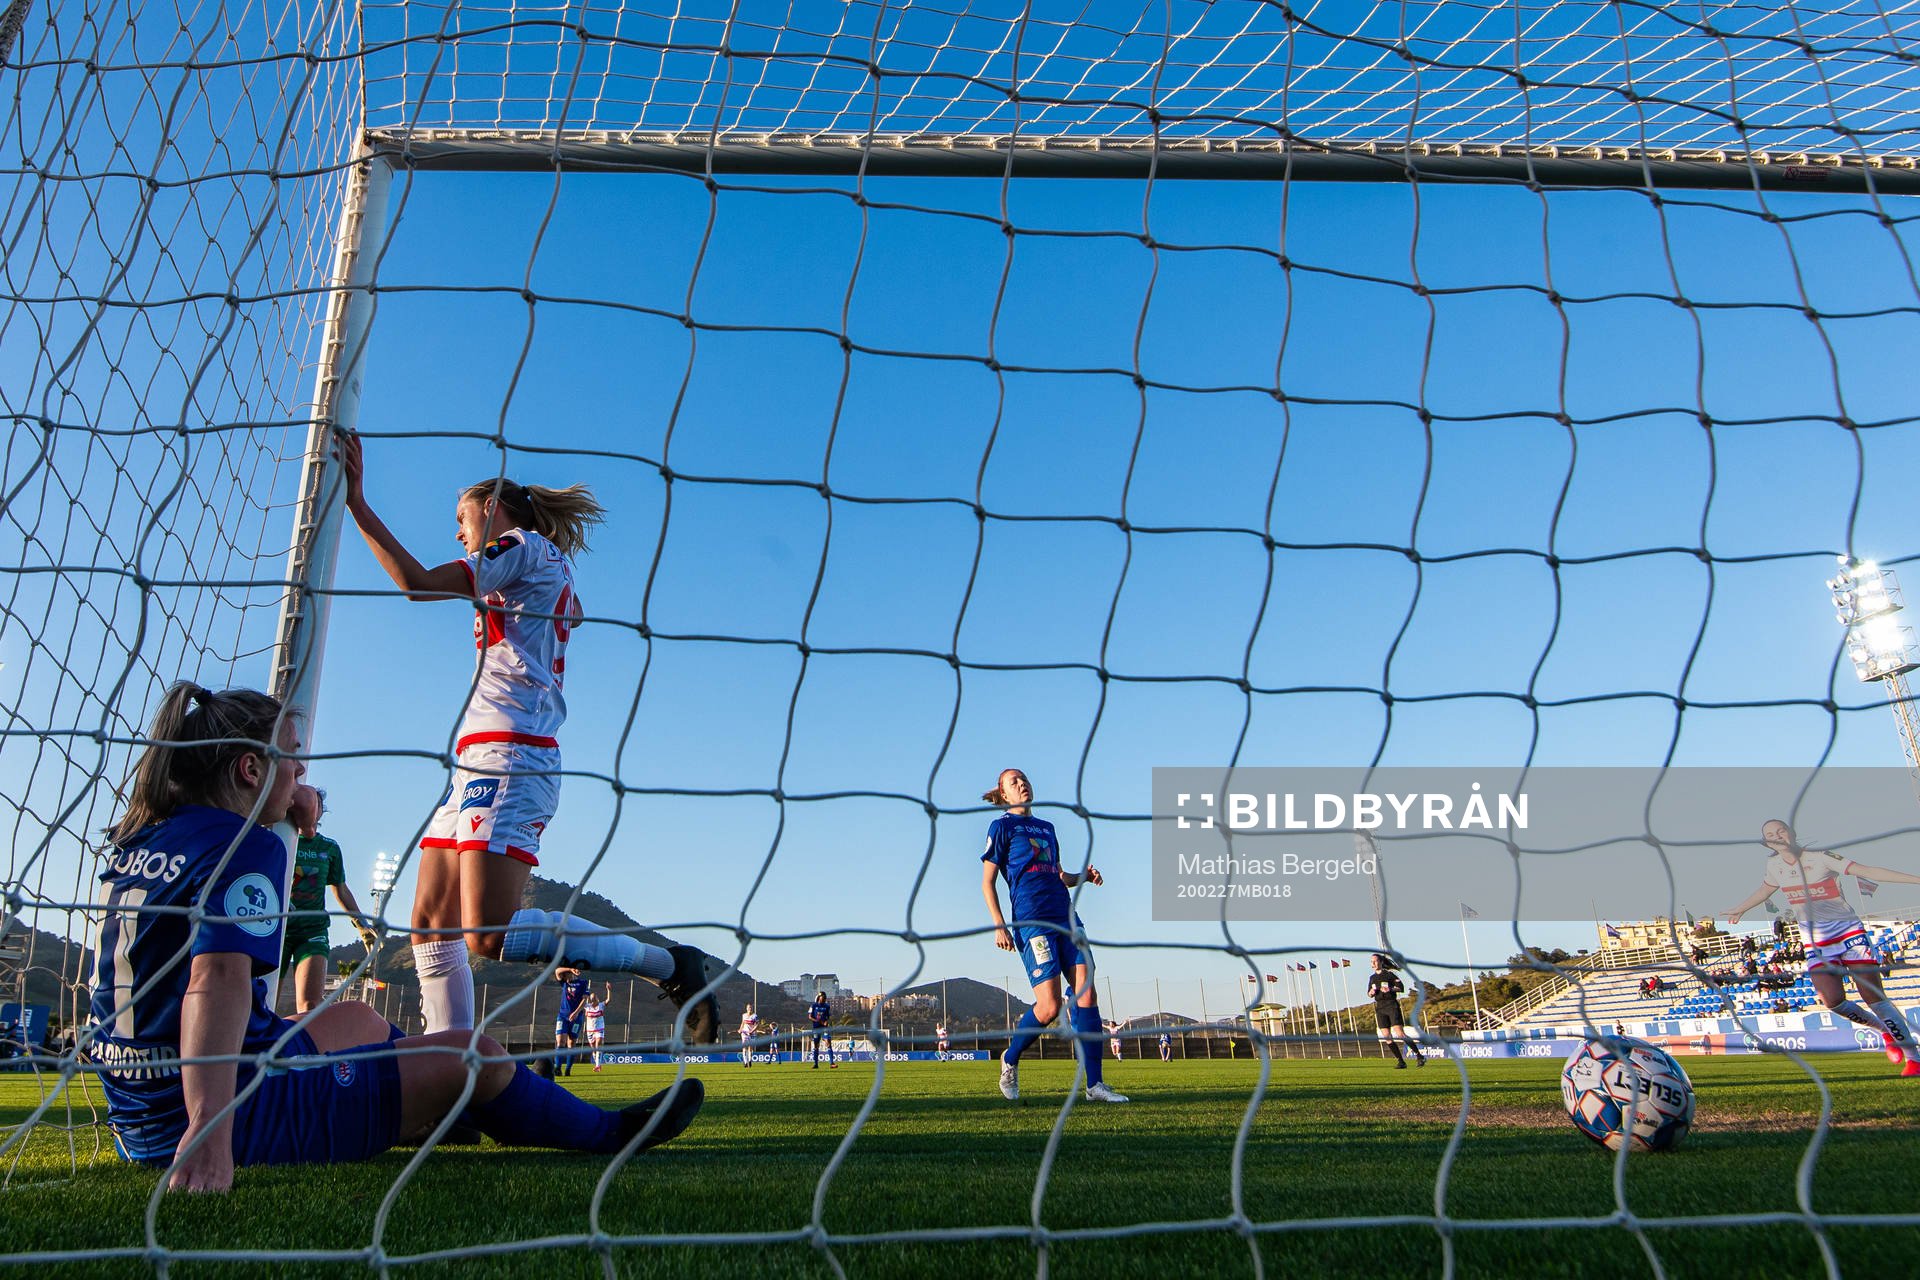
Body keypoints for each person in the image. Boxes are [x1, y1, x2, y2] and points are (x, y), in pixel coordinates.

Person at [84, 681, 703, 1191]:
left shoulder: (150, 836)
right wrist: (209, 1133)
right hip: (226, 1111)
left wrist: (287, 822)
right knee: (478, 1056)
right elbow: (213, 980)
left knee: (359, 1019)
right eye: (294, 755)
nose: (303, 770)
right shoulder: (245, 849)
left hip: (140, 1112)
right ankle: (606, 1133)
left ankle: (431, 1109)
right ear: (250, 768)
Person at [338, 432, 718, 1042]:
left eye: (461, 519)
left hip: (513, 755)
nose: (459, 534)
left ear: (491, 509)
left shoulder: (524, 544)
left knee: (486, 934)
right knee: (430, 926)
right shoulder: (533, 565)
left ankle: (669, 964)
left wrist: (357, 503)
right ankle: (452, 1069)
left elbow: (416, 585)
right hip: (478, 759)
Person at [1726, 819, 1920, 1076]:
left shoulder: (1821, 858)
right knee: (1833, 1001)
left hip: (1848, 933)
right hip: (1816, 943)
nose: (1777, 836)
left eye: (1781, 830)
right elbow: (1765, 890)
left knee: (1873, 997)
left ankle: (1913, 1059)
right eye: (1770, 834)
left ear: (1791, 833)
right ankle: (1885, 1031)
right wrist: (1741, 908)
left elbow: (1868, 870)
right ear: (1767, 842)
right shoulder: (1773, 866)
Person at [981, 768, 1127, 1104]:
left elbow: (1058, 875)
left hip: (1067, 917)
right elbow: (987, 881)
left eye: (1025, 779)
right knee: (1048, 1007)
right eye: (1014, 782)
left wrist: (1083, 877)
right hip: (1032, 920)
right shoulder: (1001, 827)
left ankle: (1095, 1086)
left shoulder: (1047, 828)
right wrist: (998, 923)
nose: (1022, 784)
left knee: (1086, 993)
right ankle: (1010, 1059)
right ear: (1004, 794)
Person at [277, 785, 377, 1015]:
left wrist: (361, 925)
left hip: (313, 929)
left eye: (317, 803)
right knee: (266, 999)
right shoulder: (281, 838)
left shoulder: (329, 848)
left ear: (321, 811)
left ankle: (303, 1048)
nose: (312, 807)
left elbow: (340, 889)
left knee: (310, 1006)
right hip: (279, 928)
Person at [1367, 954, 1426, 1069]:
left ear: (1381, 962)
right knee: (1387, 1037)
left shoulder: (1389, 975)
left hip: (1391, 1005)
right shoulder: (1372, 978)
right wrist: (1371, 993)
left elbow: (1401, 987)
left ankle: (1419, 1056)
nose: (1373, 964)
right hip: (1380, 1008)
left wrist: (1390, 989)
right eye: (1371, 962)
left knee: (1400, 1033)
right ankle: (1401, 1061)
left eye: (1375, 961)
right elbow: (1369, 993)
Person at [553, 966, 591, 1076]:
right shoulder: (564, 983)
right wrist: (569, 969)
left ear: (573, 974)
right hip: (563, 1017)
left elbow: (584, 1000)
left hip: (577, 1018)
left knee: (572, 1042)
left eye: (567, 974)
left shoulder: (583, 983)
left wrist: (576, 1013)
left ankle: (568, 1069)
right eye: (564, 975)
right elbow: (557, 971)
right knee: (560, 1042)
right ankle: (557, 1068)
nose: (565, 976)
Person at [584, 984, 609, 1071]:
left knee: (598, 1045)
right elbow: (580, 1002)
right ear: (591, 1000)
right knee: (593, 1049)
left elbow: (608, 1000)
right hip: (590, 1030)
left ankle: (598, 1065)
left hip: (599, 1029)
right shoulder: (587, 1006)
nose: (595, 1000)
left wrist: (609, 990)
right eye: (593, 999)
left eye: (595, 998)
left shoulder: (601, 1005)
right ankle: (597, 1064)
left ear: (597, 998)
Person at [807, 991, 835, 1069]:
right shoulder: (813, 1005)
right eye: (823, 998)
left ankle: (832, 1063)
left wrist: (826, 1021)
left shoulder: (827, 1006)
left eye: (825, 998)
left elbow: (828, 1016)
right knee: (816, 1045)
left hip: (824, 1028)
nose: (824, 999)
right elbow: (810, 1016)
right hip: (816, 1028)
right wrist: (818, 1021)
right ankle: (816, 1064)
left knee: (828, 1042)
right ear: (819, 997)